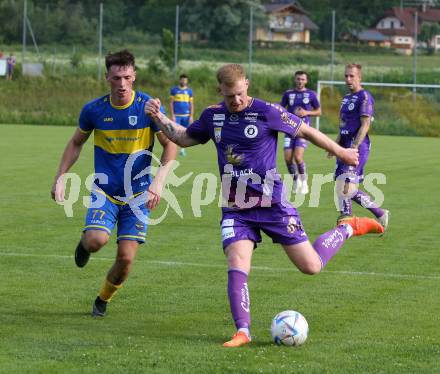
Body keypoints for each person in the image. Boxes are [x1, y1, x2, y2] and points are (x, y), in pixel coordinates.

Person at [145, 63, 384, 347]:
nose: (235, 100)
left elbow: (306, 132)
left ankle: (347, 227)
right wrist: (158, 116)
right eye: (229, 95)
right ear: (220, 90)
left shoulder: (267, 111)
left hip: (273, 205)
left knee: (311, 266)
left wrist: (342, 151)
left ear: (246, 83)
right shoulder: (213, 116)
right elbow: (183, 137)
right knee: (237, 261)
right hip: (235, 207)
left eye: (239, 93)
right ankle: (242, 331)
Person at [51, 50, 177, 317]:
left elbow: (171, 146)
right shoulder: (94, 110)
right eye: (116, 77)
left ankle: (102, 299)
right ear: (107, 77)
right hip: (105, 191)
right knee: (97, 240)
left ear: (134, 77)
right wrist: (60, 177)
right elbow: (76, 143)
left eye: (127, 77)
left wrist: (159, 182)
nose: (121, 83)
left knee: (126, 259)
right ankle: (85, 244)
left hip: (140, 195)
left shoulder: (148, 109)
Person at [331, 63, 389, 229]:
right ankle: (377, 213)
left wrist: (354, 146)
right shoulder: (346, 98)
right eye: (346, 76)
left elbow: (365, 125)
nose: (348, 79)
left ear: (359, 77)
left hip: (357, 146)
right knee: (343, 186)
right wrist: (334, 146)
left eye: (352, 76)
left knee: (346, 184)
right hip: (344, 146)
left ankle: (348, 216)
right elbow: (343, 126)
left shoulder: (364, 96)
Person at [280, 71, 321, 194]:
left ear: (306, 81)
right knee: (287, 159)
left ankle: (304, 182)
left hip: (303, 130)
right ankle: (295, 180)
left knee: (298, 157)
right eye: (298, 79)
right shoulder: (288, 94)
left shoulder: (311, 94)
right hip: (289, 130)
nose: (300, 81)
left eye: (302, 79)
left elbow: (319, 111)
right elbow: (281, 109)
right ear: (295, 80)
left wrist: (307, 113)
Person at [169, 74, 194, 156]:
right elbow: (171, 103)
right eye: (182, 80)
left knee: (185, 133)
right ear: (180, 80)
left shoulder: (189, 91)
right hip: (176, 115)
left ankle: (182, 150)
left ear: (187, 81)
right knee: (175, 132)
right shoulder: (174, 90)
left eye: (185, 80)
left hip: (186, 115)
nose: (184, 81)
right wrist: (172, 115)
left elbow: (191, 104)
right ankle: (173, 149)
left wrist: (191, 116)